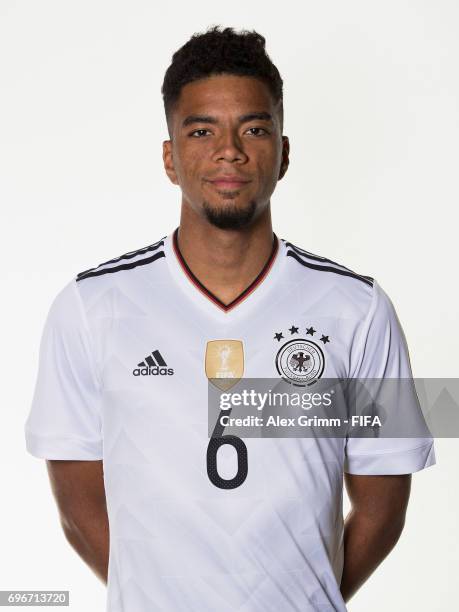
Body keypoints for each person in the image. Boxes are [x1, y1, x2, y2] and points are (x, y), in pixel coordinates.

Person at [24, 25, 435, 612]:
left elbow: (384, 503)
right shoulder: (91, 307)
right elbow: (77, 509)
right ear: (170, 156)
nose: (230, 151)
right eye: (201, 130)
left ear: (284, 153)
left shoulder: (360, 309)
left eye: (254, 128)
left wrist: (306, 597)